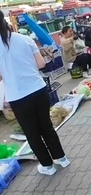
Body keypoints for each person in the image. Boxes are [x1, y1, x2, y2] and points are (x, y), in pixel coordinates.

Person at [0, 11, 69, 176]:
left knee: (32, 133)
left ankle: (47, 166)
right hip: (38, 89)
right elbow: (40, 63)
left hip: (18, 96)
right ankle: (62, 158)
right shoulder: (25, 39)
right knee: (46, 126)